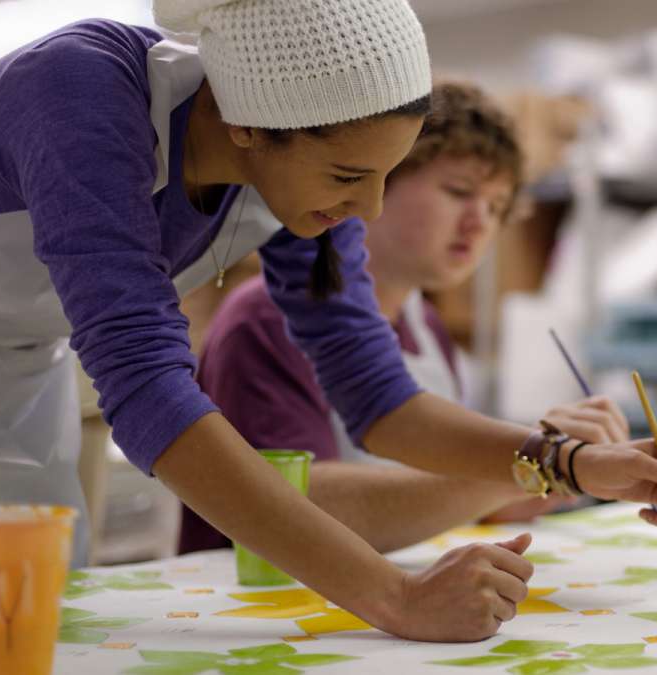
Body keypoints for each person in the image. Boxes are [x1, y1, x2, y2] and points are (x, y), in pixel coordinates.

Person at [0, 0, 657, 642]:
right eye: (349, 177)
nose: (368, 209)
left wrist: (565, 460)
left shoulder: (300, 156)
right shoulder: (78, 92)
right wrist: (393, 597)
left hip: (13, 372)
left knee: (22, 629)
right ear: (246, 126)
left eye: (384, 176)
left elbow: (378, 399)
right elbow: (146, 387)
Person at [178, 80, 631, 554]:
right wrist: (532, 465)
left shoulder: (426, 326)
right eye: (458, 192)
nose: (480, 223)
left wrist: (541, 480)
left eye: (497, 207)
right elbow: (292, 511)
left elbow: (444, 496)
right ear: (373, 175)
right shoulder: (268, 321)